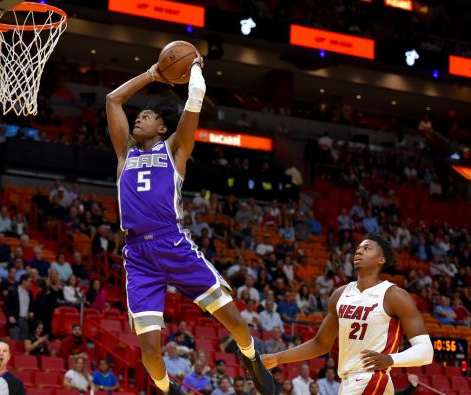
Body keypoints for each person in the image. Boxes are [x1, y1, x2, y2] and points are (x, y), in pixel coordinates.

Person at [106, 50, 273, 395]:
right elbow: (113, 99)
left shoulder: (175, 149)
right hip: (137, 255)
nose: (139, 118)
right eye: (138, 116)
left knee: (235, 322)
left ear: (162, 127)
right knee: (150, 352)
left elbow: (195, 97)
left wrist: (195, 64)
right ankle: (168, 390)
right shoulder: (124, 154)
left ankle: (250, 355)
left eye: (147, 115)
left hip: (173, 244)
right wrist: (152, 73)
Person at [263, 234, 433, 395]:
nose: (359, 251)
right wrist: (278, 358)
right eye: (358, 248)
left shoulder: (394, 295)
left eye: (367, 248)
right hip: (347, 381)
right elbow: (320, 344)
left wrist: (390, 359)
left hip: (372, 379)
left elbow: (426, 351)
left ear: (381, 260)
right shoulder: (340, 294)